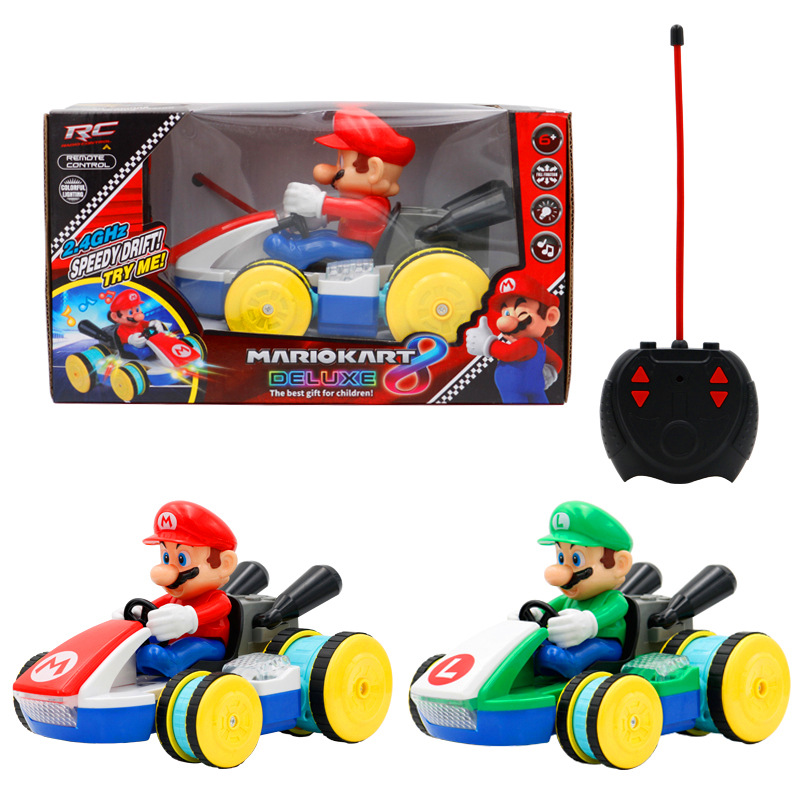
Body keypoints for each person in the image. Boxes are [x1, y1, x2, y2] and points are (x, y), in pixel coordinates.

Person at [263, 107, 415, 270]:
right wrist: (320, 218)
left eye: (342, 163)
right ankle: (297, 242)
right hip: (351, 243)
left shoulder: (377, 205)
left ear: (374, 171)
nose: (329, 173)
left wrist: (321, 203)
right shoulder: (359, 199)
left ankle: (297, 255)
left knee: (328, 243)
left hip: (363, 251)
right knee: (326, 234)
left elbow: (359, 211)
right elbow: (344, 212)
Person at [130, 501, 239, 678]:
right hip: (176, 639)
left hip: (209, 644)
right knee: (140, 642)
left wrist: (190, 618)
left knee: (186, 647)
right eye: (166, 558)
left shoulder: (218, 599)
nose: (167, 571)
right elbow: (152, 607)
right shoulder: (175, 598)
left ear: (224, 564)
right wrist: (136, 614)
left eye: (182, 559)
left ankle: (171, 662)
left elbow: (218, 609)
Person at [530, 501, 633, 678]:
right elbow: (545, 609)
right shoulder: (569, 600)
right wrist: (533, 615)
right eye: (561, 558)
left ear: (619, 564)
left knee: (592, 648)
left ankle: (571, 662)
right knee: (537, 647)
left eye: (576, 559)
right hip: (574, 642)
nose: (561, 572)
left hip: (606, 645)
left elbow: (609, 613)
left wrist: (587, 623)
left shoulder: (615, 600)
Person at [466, 272, 562, 404]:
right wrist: (550, 372)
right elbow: (557, 361)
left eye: (521, 313)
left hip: (514, 389)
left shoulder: (529, 344)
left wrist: (486, 343)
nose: (505, 322)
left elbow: (508, 353)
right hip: (535, 385)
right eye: (506, 313)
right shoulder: (541, 347)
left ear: (550, 317)